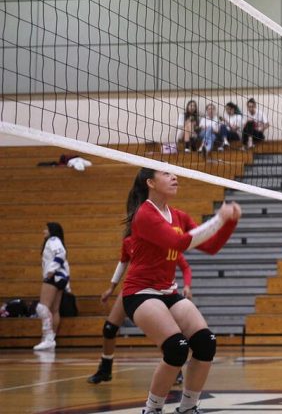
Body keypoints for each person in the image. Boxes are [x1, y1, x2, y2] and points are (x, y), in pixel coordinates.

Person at [123, 168, 240, 414]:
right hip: (141, 292)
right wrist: (219, 218)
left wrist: (230, 223)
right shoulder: (144, 214)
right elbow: (178, 243)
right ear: (150, 182)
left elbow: (210, 246)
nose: (174, 177)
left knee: (206, 343)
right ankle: (152, 409)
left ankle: (188, 408)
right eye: (166, 174)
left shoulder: (178, 215)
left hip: (168, 292)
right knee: (176, 348)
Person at [88, 236, 192, 384]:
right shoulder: (129, 241)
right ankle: (105, 369)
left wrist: (187, 286)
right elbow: (123, 262)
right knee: (109, 328)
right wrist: (111, 288)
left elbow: (184, 266)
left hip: (156, 290)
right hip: (133, 288)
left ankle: (175, 370)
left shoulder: (162, 239)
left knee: (163, 334)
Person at [34, 222, 70, 351]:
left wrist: (51, 270)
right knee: (54, 310)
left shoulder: (53, 240)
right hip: (61, 277)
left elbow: (60, 254)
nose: (44, 231)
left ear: (51, 231)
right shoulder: (56, 240)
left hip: (53, 277)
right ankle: (51, 339)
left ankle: (47, 338)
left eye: (46, 229)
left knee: (43, 308)